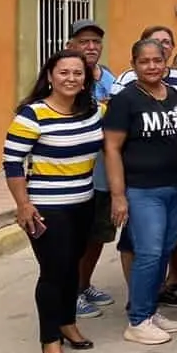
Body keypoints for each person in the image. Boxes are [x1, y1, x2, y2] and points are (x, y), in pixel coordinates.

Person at [3, 50, 103, 353]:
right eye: (63, 72)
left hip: (83, 203)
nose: (70, 78)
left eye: (77, 73)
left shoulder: (93, 111)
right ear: (50, 76)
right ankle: (50, 339)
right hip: (46, 206)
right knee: (53, 271)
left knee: (73, 266)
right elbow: (13, 164)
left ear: (86, 79)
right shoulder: (31, 115)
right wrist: (23, 205)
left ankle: (67, 323)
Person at [103, 38, 177, 345]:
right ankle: (138, 320)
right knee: (149, 253)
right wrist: (118, 195)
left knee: (164, 251)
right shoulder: (125, 100)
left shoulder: (174, 94)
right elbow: (112, 149)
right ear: (134, 64)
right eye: (145, 62)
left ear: (165, 61)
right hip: (143, 190)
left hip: (175, 186)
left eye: (157, 60)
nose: (152, 66)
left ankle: (150, 310)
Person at [67, 19, 117, 319]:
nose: (91, 47)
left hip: (105, 174)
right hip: (75, 176)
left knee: (98, 235)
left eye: (96, 41)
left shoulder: (109, 77)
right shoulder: (66, 76)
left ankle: (84, 285)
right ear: (72, 45)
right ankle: (69, 292)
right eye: (84, 41)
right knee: (75, 239)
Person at [110, 25, 177, 96]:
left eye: (166, 42)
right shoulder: (127, 78)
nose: (161, 46)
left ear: (172, 47)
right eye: (155, 41)